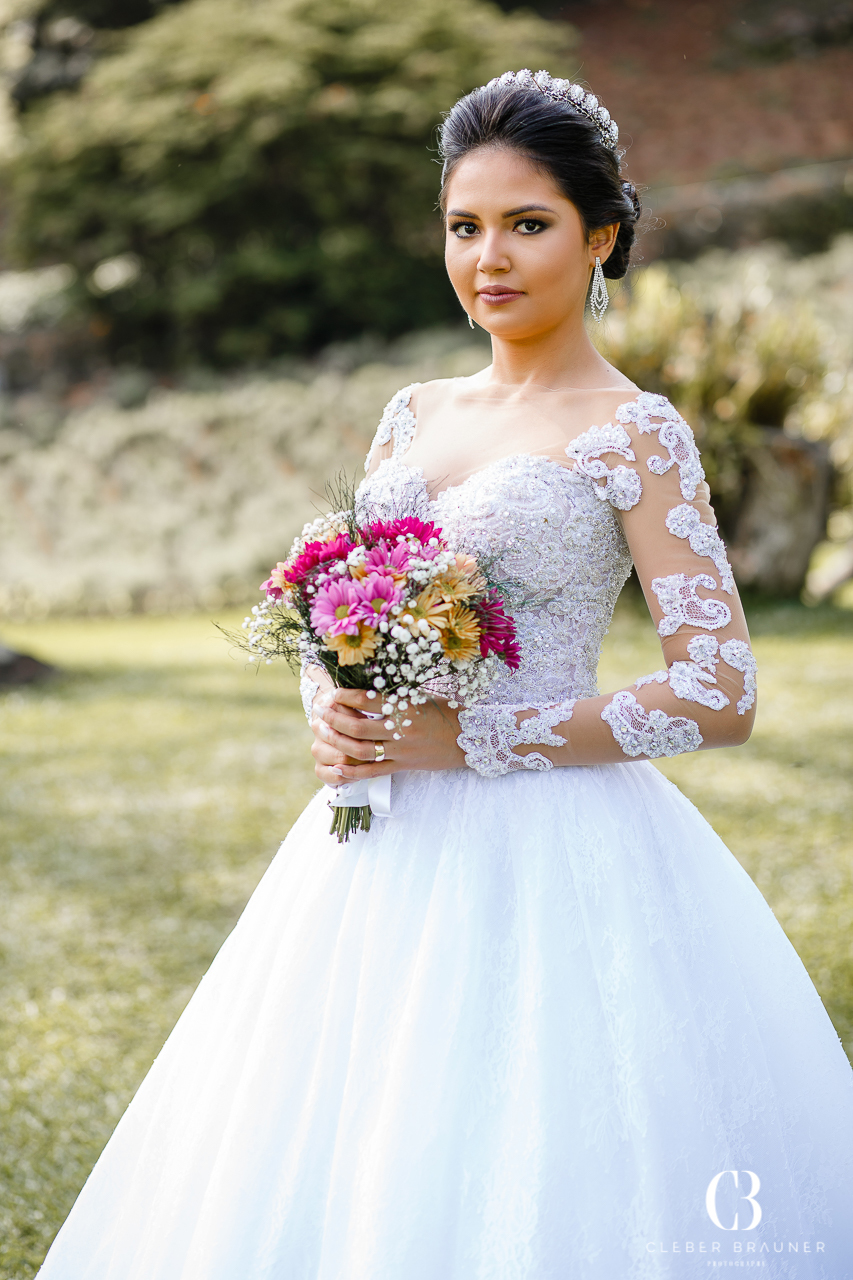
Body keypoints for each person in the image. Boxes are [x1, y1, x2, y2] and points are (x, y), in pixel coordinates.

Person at [38, 70, 853, 1279]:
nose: (490, 258)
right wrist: (335, 713)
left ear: (602, 236)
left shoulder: (635, 431)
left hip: (560, 849)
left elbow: (718, 691)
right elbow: (343, 605)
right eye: (463, 226)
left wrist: (468, 740)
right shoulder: (411, 411)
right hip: (371, 843)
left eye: (528, 224)